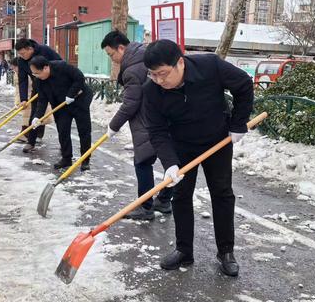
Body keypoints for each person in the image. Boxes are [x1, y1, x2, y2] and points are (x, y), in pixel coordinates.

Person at [142, 40, 254, 276]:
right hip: (181, 144)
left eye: (163, 74)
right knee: (181, 195)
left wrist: (238, 123)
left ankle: (226, 252)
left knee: (222, 193)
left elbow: (243, 84)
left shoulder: (210, 66)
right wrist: (170, 163)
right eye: (153, 75)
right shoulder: (151, 90)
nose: (159, 81)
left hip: (217, 140)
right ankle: (184, 251)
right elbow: (157, 130)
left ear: (180, 63)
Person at [101, 30, 172, 221]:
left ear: (121, 48)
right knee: (171, 161)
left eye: (111, 54)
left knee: (142, 162)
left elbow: (130, 104)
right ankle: (164, 200)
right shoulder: (146, 56)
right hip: (167, 117)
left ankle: (146, 207)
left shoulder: (132, 70)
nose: (112, 59)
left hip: (148, 121)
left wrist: (113, 126)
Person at [29, 56, 93, 170]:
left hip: (79, 100)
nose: (36, 76)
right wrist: (37, 117)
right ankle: (66, 158)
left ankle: (85, 159)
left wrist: (71, 94)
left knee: (84, 131)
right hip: (60, 106)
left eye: (37, 73)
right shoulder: (39, 80)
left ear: (45, 68)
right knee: (63, 131)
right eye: (34, 74)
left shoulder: (62, 67)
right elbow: (42, 100)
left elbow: (79, 78)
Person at [15, 38, 62, 153]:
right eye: (19, 54)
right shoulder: (21, 61)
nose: (21, 56)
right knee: (35, 114)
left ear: (30, 49)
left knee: (60, 115)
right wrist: (24, 99)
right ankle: (31, 142)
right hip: (38, 87)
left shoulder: (44, 51)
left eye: (23, 53)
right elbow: (22, 80)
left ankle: (64, 143)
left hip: (54, 85)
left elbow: (60, 64)